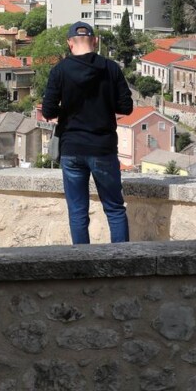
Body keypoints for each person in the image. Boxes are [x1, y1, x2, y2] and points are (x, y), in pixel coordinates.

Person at [37, 21, 133, 244]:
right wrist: (103, 105)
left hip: (72, 147)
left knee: (78, 212)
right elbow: (126, 106)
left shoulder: (59, 71)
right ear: (95, 41)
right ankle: (124, 261)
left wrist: (69, 107)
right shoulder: (111, 68)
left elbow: (49, 111)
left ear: (70, 43)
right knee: (115, 209)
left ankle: (82, 264)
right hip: (103, 147)